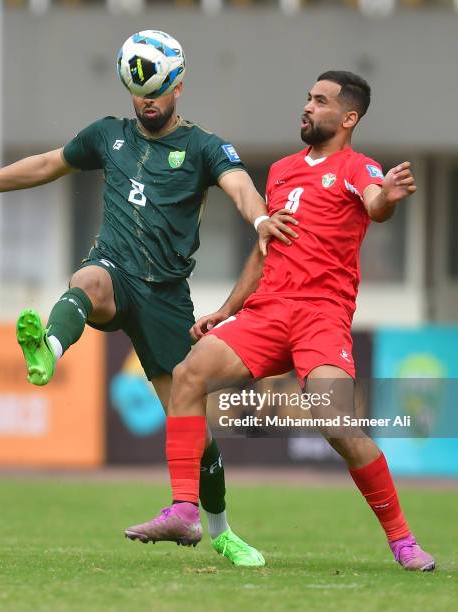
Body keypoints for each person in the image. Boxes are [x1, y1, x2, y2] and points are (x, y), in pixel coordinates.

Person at [0, 41, 294, 567]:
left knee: (196, 432)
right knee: (87, 280)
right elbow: (45, 164)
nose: (147, 103)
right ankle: (48, 346)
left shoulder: (205, 147)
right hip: (114, 273)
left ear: (178, 86)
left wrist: (258, 221)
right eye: (138, 94)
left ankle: (221, 531)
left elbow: (240, 187)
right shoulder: (107, 136)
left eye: (157, 92)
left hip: (165, 296)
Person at [127, 70, 435, 572]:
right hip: (266, 312)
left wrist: (387, 199)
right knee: (188, 376)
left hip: (321, 317)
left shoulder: (359, 166)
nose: (308, 106)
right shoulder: (283, 171)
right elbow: (265, 248)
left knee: (337, 422)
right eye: (308, 98)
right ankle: (185, 510)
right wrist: (228, 309)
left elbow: (375, 203)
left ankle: (402, 540)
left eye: (321, 100)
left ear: (348, 117)